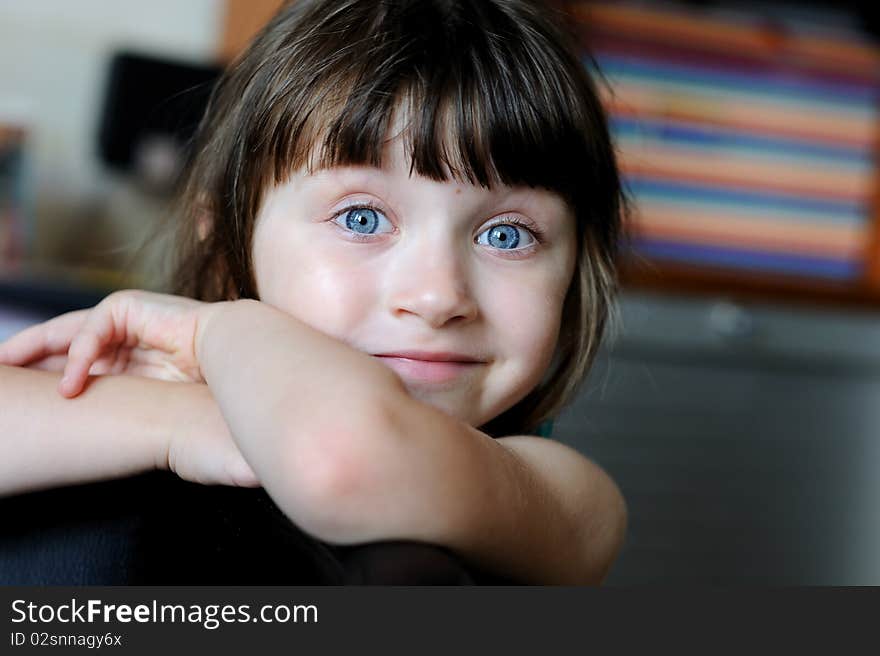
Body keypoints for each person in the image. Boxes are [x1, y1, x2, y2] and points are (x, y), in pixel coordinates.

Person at [0, 0, 626, 585]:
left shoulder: (567, 495)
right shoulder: (157, 387)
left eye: (508, 234)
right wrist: (187, 419)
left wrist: (220, 329)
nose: (438, 297)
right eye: (362, 218)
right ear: (229, 239)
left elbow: (346, 461)